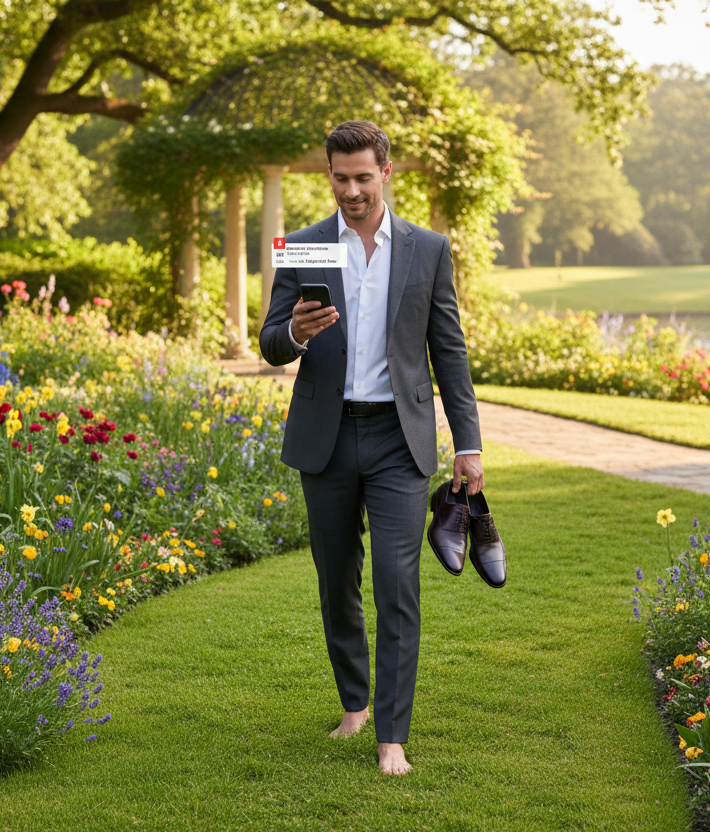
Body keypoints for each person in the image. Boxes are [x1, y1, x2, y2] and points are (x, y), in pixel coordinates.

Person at [259, 120, 483, 775]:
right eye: (340, 177)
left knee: (396, 579)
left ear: (387, 172)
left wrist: (467, 443)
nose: (352, 190)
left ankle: (392, 735)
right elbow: (269, 340)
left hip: (397, 439)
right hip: (324, 438)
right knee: (337, 582)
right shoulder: (300, 247)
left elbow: (449, 349)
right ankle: (354, 703)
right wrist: (294, 332)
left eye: (363, 177)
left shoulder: (427, 248)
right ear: (328, 175)